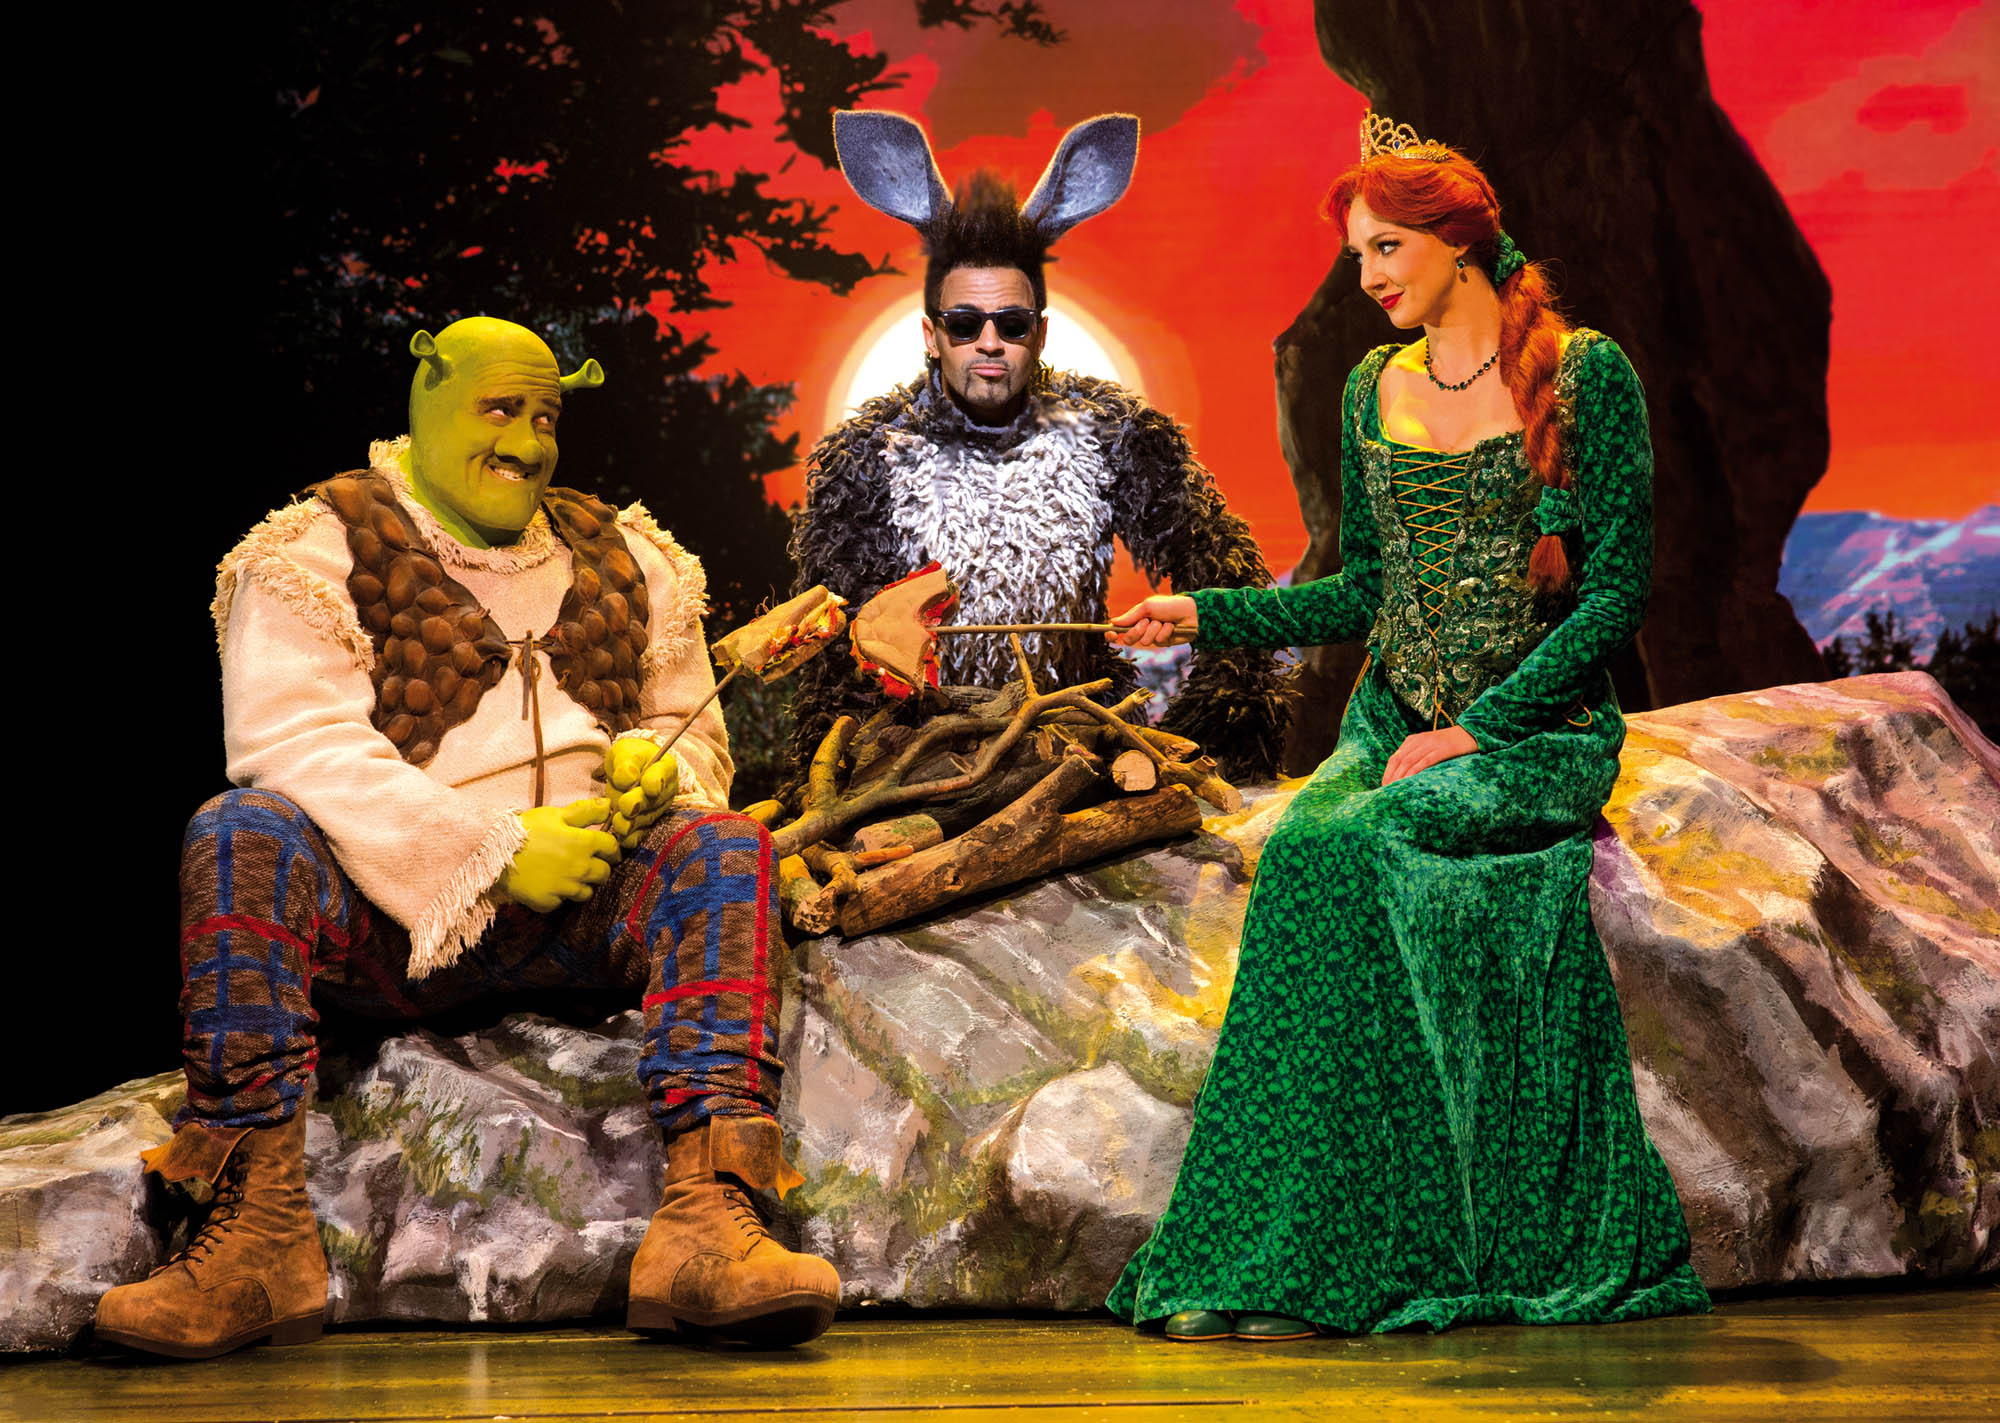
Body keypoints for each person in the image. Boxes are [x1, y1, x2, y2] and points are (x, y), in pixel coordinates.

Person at [93, 317, 840, 1359]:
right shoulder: (315, 549)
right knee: (240, 832)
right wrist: (491, 850)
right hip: (393, 927)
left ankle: (708, 1222)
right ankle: (256, 1233)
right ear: (430, 398)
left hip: (587, 915)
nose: (528, 443)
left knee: (722, 846)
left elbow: (695, 736)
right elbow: (292, 741)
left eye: (546, 417)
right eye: (502, 410)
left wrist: (653, 773)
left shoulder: (628, 554)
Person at [1104, 113, 1710, 1339]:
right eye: (1357, 256)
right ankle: (1258, 1257)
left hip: (1536, 728)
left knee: (1365, 846)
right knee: (1302, 856)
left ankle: (1359, 1258)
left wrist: (1481, 728)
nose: (1367, 276)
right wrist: (1204, 613)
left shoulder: (1584, 374)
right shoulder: (1368, 386)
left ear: (1456, 239)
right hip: (1393, 720)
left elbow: (1612, 595)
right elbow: (1366, 591)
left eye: (1386, 247)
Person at [788, 110, 1290, 781]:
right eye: (965, 324)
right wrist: (855, 771)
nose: (989, 343)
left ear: (1041, 333)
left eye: (1012, 323)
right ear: (932, 336)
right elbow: (830, 654)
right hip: (923, 765)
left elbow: (1220, 568)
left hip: (1081, 750)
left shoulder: (1112, 432)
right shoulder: (866, 459)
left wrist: (1215, 727)